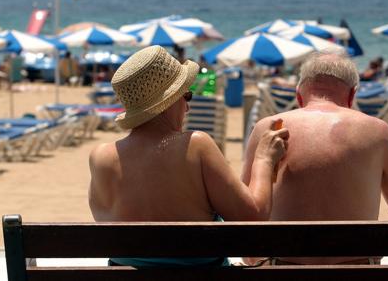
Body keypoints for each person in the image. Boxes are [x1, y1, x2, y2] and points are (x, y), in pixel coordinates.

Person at [89, 46, 289, 267]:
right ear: (169, 102)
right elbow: (253, 220)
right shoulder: (195, 145)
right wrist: (264, 159)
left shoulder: (100, 157)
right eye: (187, 96)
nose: (188, 107)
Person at [242, 52, 388, 266]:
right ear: (351, 96)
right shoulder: (378, 132)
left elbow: (243, 218)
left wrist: (256, 263)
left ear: (299, 96)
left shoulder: (268, 129)